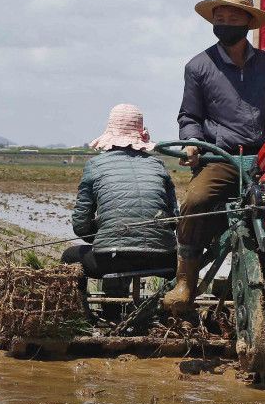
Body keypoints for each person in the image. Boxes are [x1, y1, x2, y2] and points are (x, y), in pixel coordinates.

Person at [163, 0, 265, 314]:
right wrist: (191, 145)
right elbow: (190, 116)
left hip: (263, 158)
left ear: (247, 23)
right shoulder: (198, 66)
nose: (225, 22)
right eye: (220, 17)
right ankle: (185, 280)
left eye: (232, 16)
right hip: (221, 158)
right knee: (196, 200)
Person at [62, 104, 178, 278]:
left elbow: (81, 224)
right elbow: (173, 219)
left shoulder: (95, 166)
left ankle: (82, 305)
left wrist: (108, 235)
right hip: (162, 259)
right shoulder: (157, 166)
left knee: (69, 257)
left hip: (111, 259)